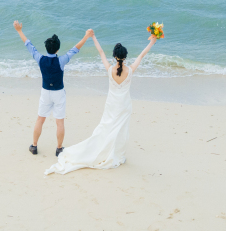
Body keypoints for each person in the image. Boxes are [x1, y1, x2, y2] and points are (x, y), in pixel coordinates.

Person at [44, 32, 158, 175]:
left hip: (111, 104)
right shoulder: (130, 70)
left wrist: (93, 37)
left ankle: (107, 150)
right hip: (124, 105)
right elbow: (141, 55)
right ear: (125, 56)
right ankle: (118, 154)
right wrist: (152, 42)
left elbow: (101, 52)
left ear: (115, 56)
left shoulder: (110, 69)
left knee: (106, 127)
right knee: (121, 130)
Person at [13, 21, 93, 156]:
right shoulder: (61, 60)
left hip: (45, 93)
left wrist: (19, 31)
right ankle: (59, 148)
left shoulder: (40, 59)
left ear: (46, 48)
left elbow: (29, 46)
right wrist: (86, 36)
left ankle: (34, 146)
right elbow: (75, 49)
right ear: (57, 49)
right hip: (59, 93)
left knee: (40, 119)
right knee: (59, 122)